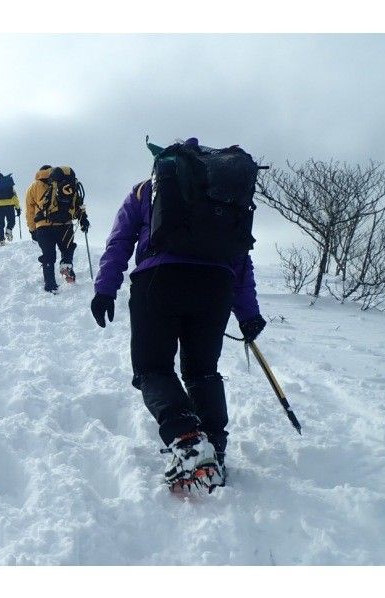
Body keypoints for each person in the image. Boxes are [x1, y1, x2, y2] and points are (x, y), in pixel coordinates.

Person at [90, 137, 267, 492]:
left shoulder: (144, 192)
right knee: (203, 371)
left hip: (159, 281)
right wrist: (248, 313)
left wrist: (104, 289)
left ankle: (187, 439)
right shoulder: (223, 198)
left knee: (152, 367)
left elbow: (120, 241)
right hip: (216, 285)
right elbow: (239, 257)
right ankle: (213, 447)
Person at [25, 165, 90, 293]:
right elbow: (78, 203)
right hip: (65, 224)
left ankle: (50, 286)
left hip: (43, 226)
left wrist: (32, 229)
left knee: (48, 256)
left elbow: (30, 210)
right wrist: (83, 219)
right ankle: (66, 264)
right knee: (67, 247)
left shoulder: (34, 186)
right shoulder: (67, 181)